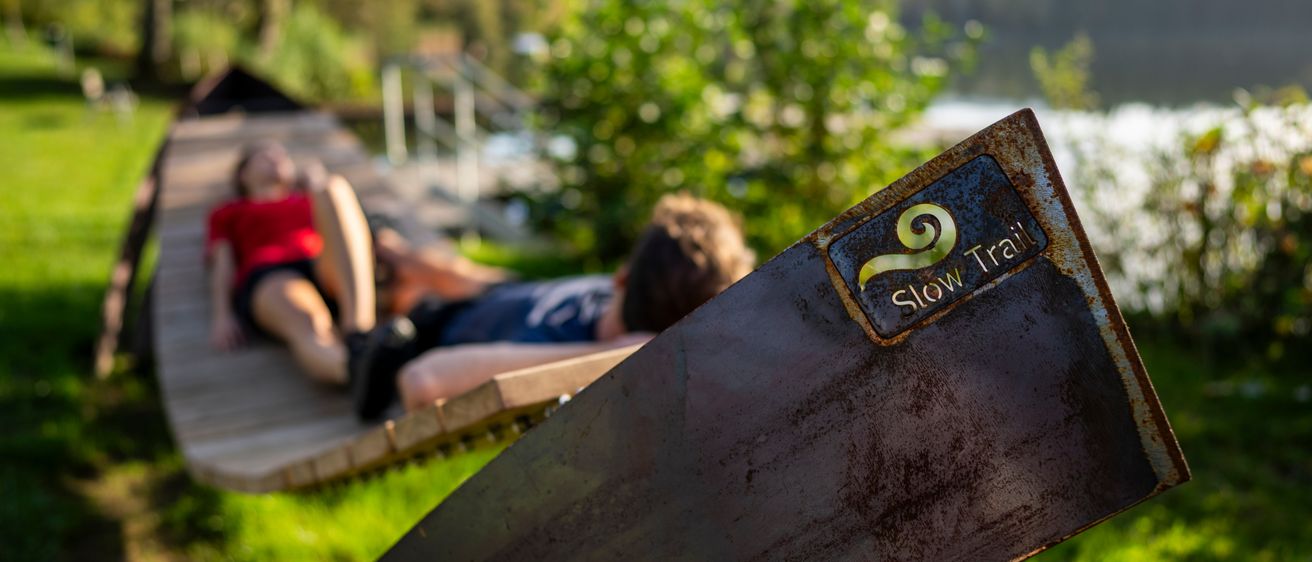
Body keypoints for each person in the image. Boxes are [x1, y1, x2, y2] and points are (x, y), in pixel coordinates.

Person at [352, 193, 756, 418]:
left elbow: (420, 382)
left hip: (430, 326)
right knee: (443, 266)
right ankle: (390, 253)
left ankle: (364, 291)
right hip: (493, 294)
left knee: (339, 212)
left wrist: (604, 356)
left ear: (622, 277)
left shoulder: (554, 350)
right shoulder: (613, 296)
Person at [206, 142, 507, 388]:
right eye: (264, 156)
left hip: (325, 266)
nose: (276, 159)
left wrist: (314, 186)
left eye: (281, 155)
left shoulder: (306, 198)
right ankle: (354, 371)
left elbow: (351, 228)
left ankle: (358, 334)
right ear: (243, 175)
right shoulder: (230, 212)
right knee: (310, 323)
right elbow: (223, 264)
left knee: (333, 187)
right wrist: (223, 314)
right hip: (270, 274)